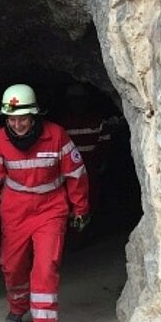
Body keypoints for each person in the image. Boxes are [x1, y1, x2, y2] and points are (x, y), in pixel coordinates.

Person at [0, 84, 89, 322]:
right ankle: (18, 306)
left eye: (22, 118)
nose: (17, 124)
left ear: (34, 115)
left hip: (51, 208)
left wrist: (80, 207)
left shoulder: (56, 136)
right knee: (12, 266)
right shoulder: (0, 140)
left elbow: (76, 172)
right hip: (15, 209)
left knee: (46, 267)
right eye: (11, 119)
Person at [57, 82, 112, 247]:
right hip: (67, 174)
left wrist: (102, 163)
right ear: (68, 101)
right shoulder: (62, 123)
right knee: (68, 205)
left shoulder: (97, 121)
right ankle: (75, 238)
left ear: (86, 100)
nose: (77, 103)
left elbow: (106, 144)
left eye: (80, 99)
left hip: (90, 170)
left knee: (90, 203)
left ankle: (84, 235)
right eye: (73, 100)